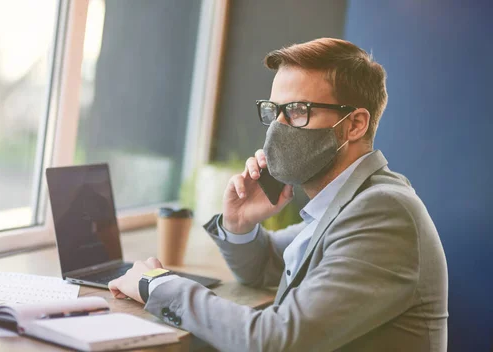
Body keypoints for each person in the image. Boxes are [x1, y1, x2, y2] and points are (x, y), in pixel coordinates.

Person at [109, 38, 448, 351]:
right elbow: (270, 266)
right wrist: (239, 224)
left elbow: (274, 341)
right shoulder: (346, 204)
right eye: (275, 111)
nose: (277, 127)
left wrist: (156, 285)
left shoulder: (383, 211)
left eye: (298, 110)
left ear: (355, 124)